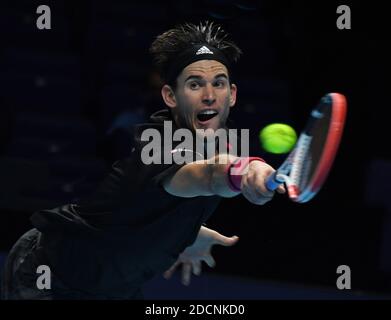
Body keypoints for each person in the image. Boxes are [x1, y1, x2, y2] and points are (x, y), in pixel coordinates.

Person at [1, 21, 285, 300]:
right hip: (51, 274)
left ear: (232, 95)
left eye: (219, 84)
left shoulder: (221, 141)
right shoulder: (159, 147)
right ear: (170, 96)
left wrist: (186, 232)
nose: (210, 96)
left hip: (114, 288)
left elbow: (149, 205)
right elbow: (210, 175)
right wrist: (249, 168)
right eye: (195, 84)